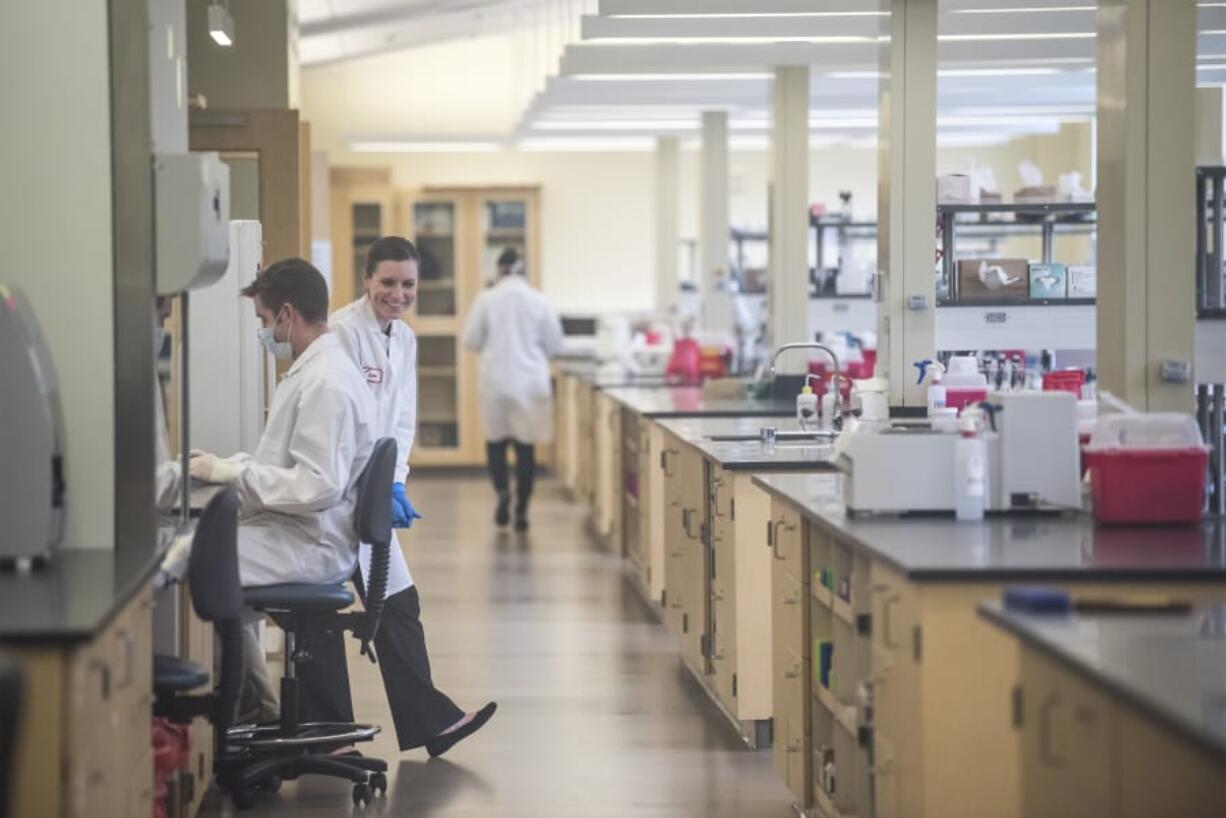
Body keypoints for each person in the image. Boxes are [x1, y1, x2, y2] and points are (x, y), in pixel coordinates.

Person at [314, 235, 497, 756]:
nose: (397, 293)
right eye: (387, 282)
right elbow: (349, 419)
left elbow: (400, 416)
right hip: (336, 493)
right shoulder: (344, 334)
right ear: (367, 279)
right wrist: (373, 481)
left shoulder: (406, 338)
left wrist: (397, 479)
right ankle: (330, 736)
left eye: (407, 284)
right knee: (320, 612)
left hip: (372, 489)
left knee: (398, 600)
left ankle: (430, 722)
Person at [187, 258, 377, 721]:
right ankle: (259, 708)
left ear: (288, 315)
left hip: (310, 543)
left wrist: (230, 475)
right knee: (204, 557)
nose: (263, 331)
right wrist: (229, 466)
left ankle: (248, 708)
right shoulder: (314, 370)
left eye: (264, 320)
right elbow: (285, 465)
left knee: (194, 561)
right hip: (298, 532)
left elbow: (316, 485)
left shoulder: (326, 382)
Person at [463, 247, 564, 532]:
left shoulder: (486, 299)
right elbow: (556, 346)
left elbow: (471, 341)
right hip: (530, 383)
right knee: (525, 445)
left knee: (496, 441)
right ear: (523, 270)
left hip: (495, 381)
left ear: (499, 269)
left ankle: (502, 493)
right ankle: (522, 506)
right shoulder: (539, 300)